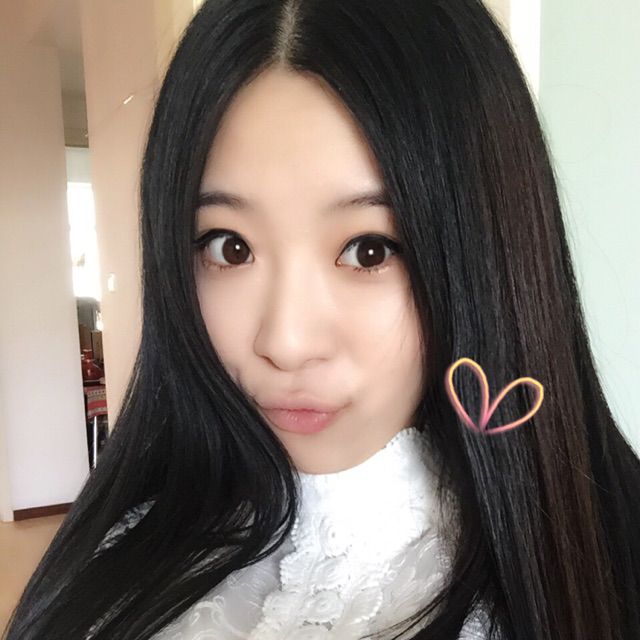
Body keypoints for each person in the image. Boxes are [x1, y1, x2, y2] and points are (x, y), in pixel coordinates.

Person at [4, 0, 640, 638]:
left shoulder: (595, 573)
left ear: (488, 252)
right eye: (230, 247)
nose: (286, 342)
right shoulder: (125, 548)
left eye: (370, 250)